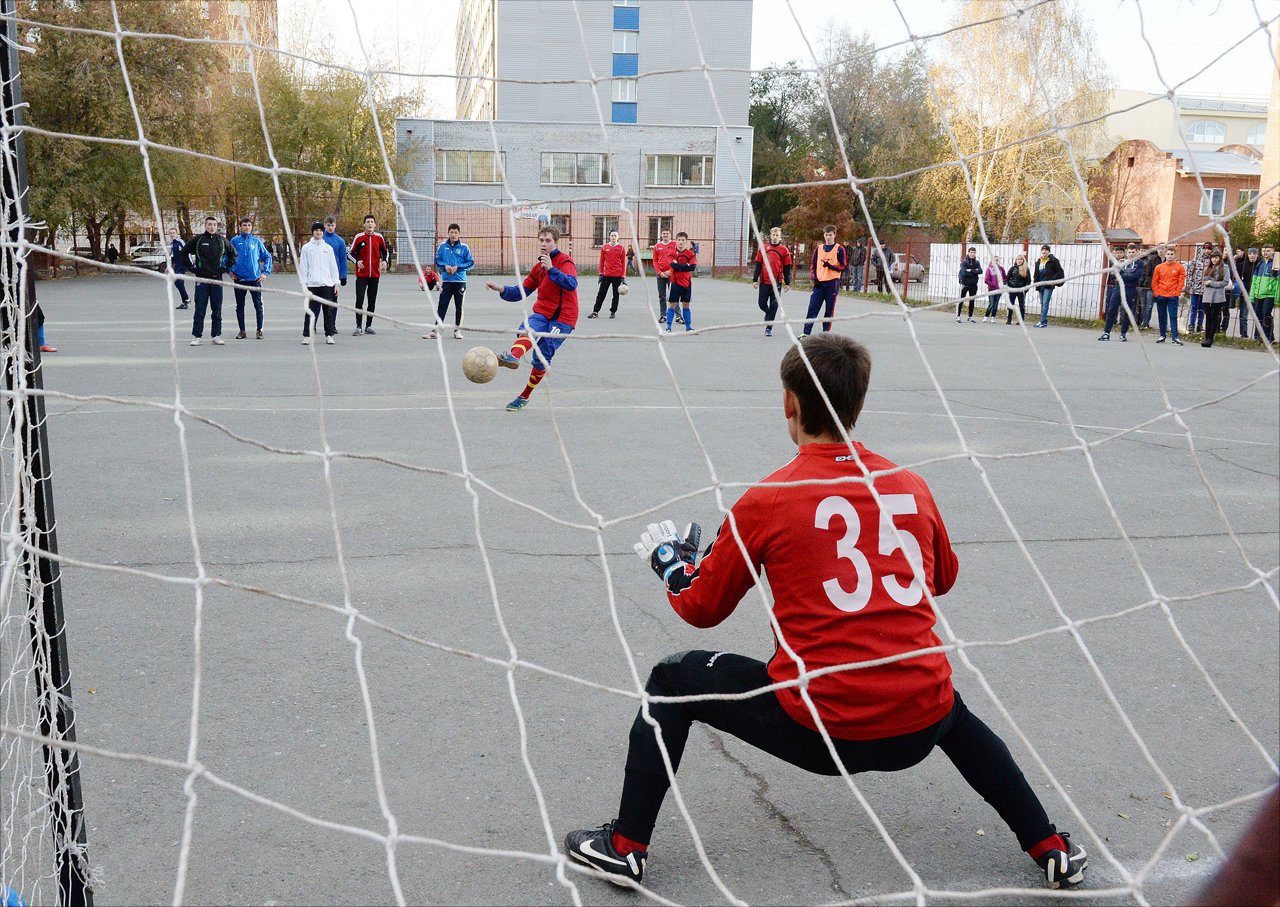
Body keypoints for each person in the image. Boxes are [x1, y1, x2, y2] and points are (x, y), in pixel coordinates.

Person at [562, 333, 1089, 893]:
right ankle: (1049, 845)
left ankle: (625, 846)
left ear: (790, 404)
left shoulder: (768, 498)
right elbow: (943, 579)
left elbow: (701, 608)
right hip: (919, 725)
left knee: (672, 679)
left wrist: (674, 568)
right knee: (946, 703)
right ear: (857, 404)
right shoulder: (909, 483)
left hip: (821, 730)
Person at [485, 225, 578, 411]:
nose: (544, 244)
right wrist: (501, 289)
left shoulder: (565, 262)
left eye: (548, 240)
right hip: (543, 312)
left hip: (563, 318)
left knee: (541, 357)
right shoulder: (538, 268)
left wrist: (552, 269)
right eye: (541, 240)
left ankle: (524, 396)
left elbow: (571, 284)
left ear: (555, 242)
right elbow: (522, 291)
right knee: (528, 328)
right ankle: (513, 356)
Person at [181, 216, 236, 347]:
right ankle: (196, 336)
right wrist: (192, 268)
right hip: (202, 279)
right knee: (200, 308)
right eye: (209, 224)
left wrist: (224, 268)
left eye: (214, 225)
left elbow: (233, 255)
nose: (212, 227)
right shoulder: (198, 240)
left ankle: (216, 335)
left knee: (216, 308)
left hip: (217, 279)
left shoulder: (222, 241)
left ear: (217, 227)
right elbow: (184, 253)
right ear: (205, 226)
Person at [426, 222, 473, 340]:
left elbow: (470, 262)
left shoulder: (464, 247)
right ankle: (436, 330)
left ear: (459, 234)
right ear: (448, 233)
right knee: (442, 305)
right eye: (451, 232)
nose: (453, 234)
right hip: (447, 281)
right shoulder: (443, 247)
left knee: (459, 307)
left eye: (456, 232)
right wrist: (445, 266)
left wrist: (458, 267)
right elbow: (437, 260)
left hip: (460, 281)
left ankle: (457, 330)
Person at [229, 217, 272, 340]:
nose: (246, 227)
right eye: (244, 225)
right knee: (240, 306)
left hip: (255, 279)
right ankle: (242, 331)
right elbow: (226, 256)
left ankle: (259, 330)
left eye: (248, 225)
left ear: (251, 227)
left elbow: (267, 256)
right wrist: (230, 271)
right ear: (240, 227)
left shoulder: (256, 241)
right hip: (239, 279)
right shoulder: (235, 241)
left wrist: (265, 273)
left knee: (258, 305)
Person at [298, 221, 339, 345]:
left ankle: (329, 335)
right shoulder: (306, 248)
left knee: (328, 311)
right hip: (312, 285)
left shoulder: (328, 248)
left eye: (321, 230)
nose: (319, 232)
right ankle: (307, 335)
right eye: (316, 230)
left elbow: (333, 267)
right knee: (310, 311)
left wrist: (336, 283)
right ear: (313, 232)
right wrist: (304, 284)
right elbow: (303, 267)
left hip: (327, 285)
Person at [350, 214, 391, 336]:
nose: (369, 224)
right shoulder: (359, 237)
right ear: (364, 224)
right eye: (367, 222)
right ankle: (358, 326)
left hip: (374, 275)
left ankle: (368, 326)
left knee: (372, 301)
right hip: (361, 275)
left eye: (372, 222)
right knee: (360, 299)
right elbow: (350, 254)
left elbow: (385, 251)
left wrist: (384, 261)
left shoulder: (379, 238)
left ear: (375, 225)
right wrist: (357, 262)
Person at [804, 225, 847, 335]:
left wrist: (831, 266)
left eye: (830, 235)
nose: (828, 237)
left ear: (834, 235)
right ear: (824, 235)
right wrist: (815, 278)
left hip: (832, 283)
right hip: (819, 283)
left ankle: (825, 333)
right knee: (812, 307)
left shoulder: (839, 249)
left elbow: (843, 266)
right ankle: (806, 332)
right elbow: (813, 265)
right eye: (826, 235)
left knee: (829, 309)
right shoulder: (819, 249)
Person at [751, 227, 793, 337]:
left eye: (777, 236)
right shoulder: (764, 248)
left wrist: (787, 282)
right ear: (770, 236)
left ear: (780, 237)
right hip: (764, 281)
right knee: (762, 303)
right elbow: (758, 264)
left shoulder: (784, 250)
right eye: (773, 235)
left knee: (774, 305)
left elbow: (787, 267)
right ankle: (768, 314)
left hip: (777, 282)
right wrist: (755, 279)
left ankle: (769, 328)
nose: (774, 238)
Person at [1099, 244, 1143, 342]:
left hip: (1130, 289)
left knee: (1127, 311)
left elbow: (1136, 276)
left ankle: (1123, 333)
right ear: (1126, 253)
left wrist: (1123, 276)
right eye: (1129, 252)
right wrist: (1123, 275)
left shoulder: (1139, 263)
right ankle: (1106, 333)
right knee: (1111, 309)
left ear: (1137, 252)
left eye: (1133, 252)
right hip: (1118, 287)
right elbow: (1115, 274)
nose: (1131, 254)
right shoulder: (1121, 262)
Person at [1151, 245, 1186, 346]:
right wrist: (1157, 292)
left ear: (1175, 255)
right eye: (1168, 254)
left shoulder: (1179, 267)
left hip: (1172, 295)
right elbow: (1155, 281)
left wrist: (1177, 292)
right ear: (1165, 255)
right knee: (1162, 315)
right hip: (1161, 294)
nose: (1170, 256)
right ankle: (1162, 335)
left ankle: (1175, 337)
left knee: (1173, 316)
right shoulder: (1159, 267)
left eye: (1172, 254)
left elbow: (1181, 281)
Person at [664, 231, 696, 333]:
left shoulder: (690, 254)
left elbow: (692, 267)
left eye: (683, 240)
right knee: (672, 305)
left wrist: (682, 266)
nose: (681, 242)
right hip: (675, 283)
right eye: (679, 240)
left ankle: (688, 327)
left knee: (686, 305)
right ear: (676, 241)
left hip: (687, 284)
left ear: (686, 242)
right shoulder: (672, 253)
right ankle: (668, 327)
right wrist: (685, 265)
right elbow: (673, 266)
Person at [591, 230, 627, 319]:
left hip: (617, 275)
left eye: (615, 235)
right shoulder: (605, 247)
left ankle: (613, 312)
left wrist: (623, 276)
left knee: (616, 294)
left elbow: (623, 263)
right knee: (601, 293)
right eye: (612, 235)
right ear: (609, 237)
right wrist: (600, 274)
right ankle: (595, 311)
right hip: (606, 274)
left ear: (617, 237)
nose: (613, 237)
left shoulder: (621, 248)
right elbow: (601, 261)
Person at [1199, 251, 1230, 348]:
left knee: (1214, 316)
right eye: (1213, 258)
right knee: (1208, 316)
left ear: (1220, 258)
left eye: (1216, 258)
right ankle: (1206, 337)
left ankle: (1210, 338)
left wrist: (1212, 283)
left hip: (1218, 296)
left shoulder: (1225, 268)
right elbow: (1204, 279)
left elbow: (1225, 282)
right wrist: (1209, 282)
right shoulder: (1208, 268)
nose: (1214, 259)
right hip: (1207, 295)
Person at [322, 215, 348, 321]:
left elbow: (343, 259)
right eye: (328, 225)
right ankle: (313, 324)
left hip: (334, 275)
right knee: (318, 301)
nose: (330, 228)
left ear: (335, 226)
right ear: (325, 225)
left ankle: (332, 324)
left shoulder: (340, 241)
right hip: (322, 274)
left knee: (333, 301)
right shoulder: (321, 239)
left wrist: (343, 275)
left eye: (332, 225)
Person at [1184, 241, 1214, 335]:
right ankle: (1191, 324)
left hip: (1206, 289)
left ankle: (1200, 324)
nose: (1206, 251)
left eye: (1209, 249)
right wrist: (1189, 284)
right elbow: (1189, 272)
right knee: (1194, 307)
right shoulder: (1196, 259)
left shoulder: (1212, 261)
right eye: (1205, 248)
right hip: (1195, 288)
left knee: (1202, 308)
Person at [1032, 245, 1064, 328]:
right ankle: (1044, 321)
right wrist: (1035, 282)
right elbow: (1036, 273)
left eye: (1046, 250)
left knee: (1045, 303)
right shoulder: (1038, 262)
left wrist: (1051, 280)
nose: (1044, 251)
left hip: (1048, 285)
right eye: (1043, 250)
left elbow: (1060, 272)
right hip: (1040, 285)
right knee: (1042, 303)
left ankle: (1042, 321)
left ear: (1048, 251)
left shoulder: (1053, 261)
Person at [1250, 244, 1276, 342]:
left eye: (1268, 250)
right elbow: (1254, 281)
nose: (1265, 253)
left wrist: (1276, 295)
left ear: (1273, 252)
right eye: (1264, 251)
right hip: (1258, 293)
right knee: (1258, 315)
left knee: (1266, 314)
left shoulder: (1275, 264)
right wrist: (1252, 295)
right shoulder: (1259, 264)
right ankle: (1259, 336)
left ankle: (1269, 336)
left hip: (1269, 294)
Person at [651, 228, 677, 325]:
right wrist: (659, 272)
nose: (665, 235)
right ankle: (663, 315)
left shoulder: (674, 245)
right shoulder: (657, 246)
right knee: (662, 296)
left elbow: (677, 259)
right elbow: (655, 261)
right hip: (661, 275)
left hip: (672, 274)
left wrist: (671, 271)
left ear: (670, 235)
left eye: (667, 233)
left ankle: (678, 316)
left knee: (673, 296)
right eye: (664, 234)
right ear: (661, 235)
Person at [1235, 248, 1258, 338]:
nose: (1252, 255)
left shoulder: (1259, 265)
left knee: (1258, 315)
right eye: (1250, 254)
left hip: (1257, 292)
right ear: (1247, 255)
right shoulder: (1242, 265)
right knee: (1244, 315)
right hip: (1245, 291)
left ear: (1257, 255)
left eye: (1254, 253)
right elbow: (1237, 278)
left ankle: (1258, 335)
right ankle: (1243, 334)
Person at [168, 226, 191, 309]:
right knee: (177, 282)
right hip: (177, 265)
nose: (172, 234)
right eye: (170, 233)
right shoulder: (173, 244)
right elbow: (173, 256)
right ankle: (185, 301)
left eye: (173, 233)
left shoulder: (180, 242)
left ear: (177, 234)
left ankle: (186, 299)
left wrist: (191, 264)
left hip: (182, 264)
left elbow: (187, 252)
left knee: (178, 282)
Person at [1005, 253, 1031, 324]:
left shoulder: (1026, 269)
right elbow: (1007, 278)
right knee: (1011, 304)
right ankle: (1009, 319)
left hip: (1021, 290)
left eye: (1021, 259)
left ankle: (1021, 320)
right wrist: (1008, 286)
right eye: (1018, 259)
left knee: (1021, 305)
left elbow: (1028, 281)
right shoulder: (1012, 268)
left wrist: (1025, 289)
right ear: (1016, 260)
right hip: (1012, 289)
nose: (1019, 261)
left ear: (1023, 260)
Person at [957, 247, 982, 322]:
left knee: (972, 301)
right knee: (961, 300)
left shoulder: (977, 262)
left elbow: (980, 271)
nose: (972, 254)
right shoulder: (964, 262)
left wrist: (971, 270)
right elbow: (964, 272)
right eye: (971, 252)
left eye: (974, 252)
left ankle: (970, 317)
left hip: (973, 284)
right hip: (965, 284)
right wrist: (975, 272)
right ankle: (958, 316)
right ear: (968, 253)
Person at [1137, 247, 1159, 329]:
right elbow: (1146, 274)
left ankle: (1145, 322)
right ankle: (1143, 322)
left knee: (1148, 305)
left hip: (1151, 286)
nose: (1151, 256)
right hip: (1145, 286)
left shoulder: (1152, 261)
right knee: (1144, 305)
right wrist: (1143, 283)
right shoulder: (1148, 262)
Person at [983, 254, 1006, 322]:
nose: (996, 261)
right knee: (991, 304)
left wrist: (1003, 284)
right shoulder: (989, 269)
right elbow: (986, 280)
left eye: (997, 260)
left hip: (999, 290)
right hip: (992, 289)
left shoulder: (1001, 269)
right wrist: (993, 285)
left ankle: (993, 317)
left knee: (996, 304)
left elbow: (1004, 278)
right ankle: (986, 316)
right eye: (994, 260)